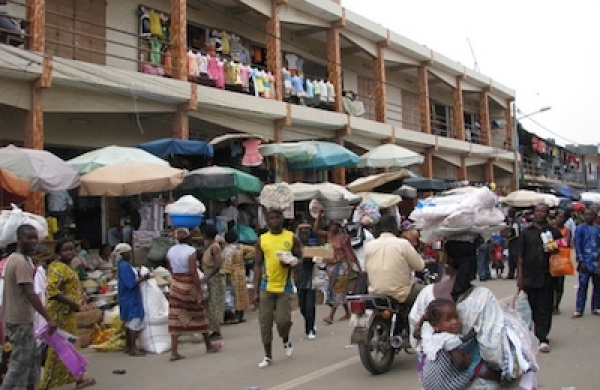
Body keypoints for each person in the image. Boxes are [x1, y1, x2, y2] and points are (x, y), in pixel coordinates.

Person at [410, 241, 507, 390]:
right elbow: (492, 348)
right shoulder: (483, 297)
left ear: (447, 261)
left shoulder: (426, 294)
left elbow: (416, 341)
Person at [2, 225, 57, 390]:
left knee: (32, 357)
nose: (33, 242)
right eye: (29, 238)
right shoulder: (20, 262)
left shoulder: (15, 259)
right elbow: (30, 293)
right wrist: (48, 318)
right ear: (19, 240)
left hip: (20, 317)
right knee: (20, 363)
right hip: (19, 319)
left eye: (35, 238)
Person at [40, 238, 96, 389]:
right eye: (65, 250)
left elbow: (69, 289)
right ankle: (47, 382)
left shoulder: (66, 267)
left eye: (71, 249)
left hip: (67, 314)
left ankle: (79, 378)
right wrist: (75, 305)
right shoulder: (57, 268)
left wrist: (80, 300)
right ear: (58, 253)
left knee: (69, 346)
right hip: (59, 315)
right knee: (60, 347)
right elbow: (52, 290)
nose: (69, 252)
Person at [413, 299, 500, 390]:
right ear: (436, 325)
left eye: (456, 317)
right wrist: (468, 361)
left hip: (428, 383)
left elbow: (458, 341)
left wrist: (470, 335)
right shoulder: (447, 338)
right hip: (444, 385)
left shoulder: (428, 333)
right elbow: (460, 363)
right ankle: (500, 377)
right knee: (475, 366)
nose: (455, 322)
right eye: (448, 319)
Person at [253, 209, 303, 368]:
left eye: (277, 218)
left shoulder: (291, 237)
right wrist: (255, 291)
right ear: (267, 222)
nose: (274, 221)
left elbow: (300, 257)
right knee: (265, 322)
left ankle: (286, 339)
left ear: (282, 220)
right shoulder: (262, 240)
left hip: (284, 286)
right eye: (271, 218)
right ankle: (267, 355)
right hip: (265, 286)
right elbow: (258, 265)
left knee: (283, 320)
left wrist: (292, 262)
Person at [166, 228, 223, 362]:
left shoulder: (170, 251)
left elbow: (170, 269)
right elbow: (193, 272)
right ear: (188, 238)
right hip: (188, 285)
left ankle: (174, 351)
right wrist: (198, 292)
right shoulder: (190, 251)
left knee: (175, 316)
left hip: (175, 284)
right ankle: (209, 345)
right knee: (199, 314)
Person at [517, 203, 561, 353]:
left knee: (545, 307)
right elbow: (520, 256)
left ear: (547, 214)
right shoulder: (526, 232)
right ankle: (528, 336)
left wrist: (555, 249)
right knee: (530, 307)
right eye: (538, 211)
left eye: (543, 211)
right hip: (530, 275)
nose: (540, 214)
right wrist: (520, 277)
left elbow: (561, 252)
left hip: (548, 275)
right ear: (534, 213)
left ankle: (542, 337)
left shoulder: (554, 231)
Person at [365, 215, 425, 309]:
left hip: (375, 293)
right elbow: (420, 266)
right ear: (394, 227)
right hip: (400, 293)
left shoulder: (369, 246)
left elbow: (367, 268)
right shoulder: (402, 244)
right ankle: (417, 323)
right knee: (426, 293)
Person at [313, 214, 363, 324]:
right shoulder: (329, 235)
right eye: (331, 224)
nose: (332, 227)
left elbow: (350, 253)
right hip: (331, 265)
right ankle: (347, 312)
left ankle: (331, 315)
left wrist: (358, 267)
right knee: (337, 289)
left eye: (334, 225)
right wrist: (319, 216)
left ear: (339, 226)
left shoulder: (343, 238)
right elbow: (316, 230)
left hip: (342, 264)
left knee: (338, 289)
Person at [116, 243, 150, 356]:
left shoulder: (124, 265)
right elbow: (130, 284)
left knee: (129, 322)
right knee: (133, 322)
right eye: (128, 253)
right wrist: (143, 279)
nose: (130, 255)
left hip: (128, 296)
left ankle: (128, 347)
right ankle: (133, 348)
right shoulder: (124, 266)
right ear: (123, 254)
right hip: (130, 297)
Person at [572, 208, 600, 318]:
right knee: (582, 285)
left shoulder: (598, 229)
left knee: (598, 286)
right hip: (585, 262)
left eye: (591, 215)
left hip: (596, 262)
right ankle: (579, 309)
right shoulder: (580, 229)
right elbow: (577, 245)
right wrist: (581, 260)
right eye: (587, 215)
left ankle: (596, 307)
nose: (589, 217)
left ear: (595, 216)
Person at [222, 230, 254, 324]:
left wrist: (226, 275)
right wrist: (245, 258)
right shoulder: (240, 247)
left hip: (232, 274)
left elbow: (227, 265)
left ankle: (234, 317)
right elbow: (253, 250)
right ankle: (240, 316)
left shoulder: (227, 250)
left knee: (233, 296)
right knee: (242, 295)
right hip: (241, 273)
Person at [201, 224, 226, 340]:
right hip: (210, 277)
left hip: (214, 279)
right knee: (209, 304)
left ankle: (216, 330)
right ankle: (213, 328)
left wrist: (208, 277)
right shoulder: (209, 246)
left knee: (214, 304)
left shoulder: (214, 247)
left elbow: (218, 264)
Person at [293, 223, 317, 340]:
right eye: (303, 232)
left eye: (307, 232)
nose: (305, 234)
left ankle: (310, 328)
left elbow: (319, 258)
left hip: (311, 278)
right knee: (302, 306)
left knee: (309, 305)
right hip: (299, 278)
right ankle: (309, 321)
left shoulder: (312, 244)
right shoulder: (294, 246)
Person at [552, 210, 572, 315]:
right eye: (557, 217)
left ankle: (556, 305)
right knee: (550, 283)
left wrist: (554, 244)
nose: (558, 219)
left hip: (561, 259)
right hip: (550, 258)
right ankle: (550, 304)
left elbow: (566, 243)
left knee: (559, 284)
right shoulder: (550, 229)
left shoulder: (566, 230)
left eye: (561, 218)